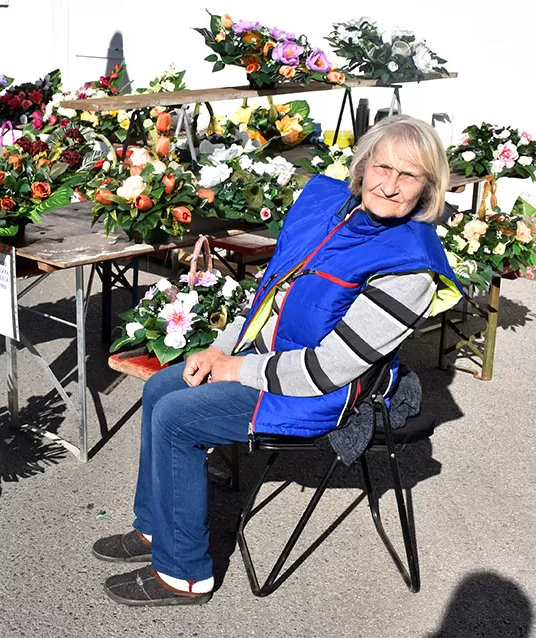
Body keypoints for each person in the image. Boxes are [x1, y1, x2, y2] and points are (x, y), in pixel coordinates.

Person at [93, 115, 463, 606]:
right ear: (363, 165)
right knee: (161, 387)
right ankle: (157, 530)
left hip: (324, 391)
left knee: (179, 419)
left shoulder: (409, 265)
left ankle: (184, 575)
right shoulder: (335, 210)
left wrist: (236, 369)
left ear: (428, 189)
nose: (391, 186)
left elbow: (330, 369)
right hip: (275, 357)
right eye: (383, 167)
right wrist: (222, 347)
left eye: (409, 176)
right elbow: (270, 293)